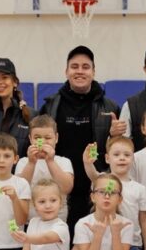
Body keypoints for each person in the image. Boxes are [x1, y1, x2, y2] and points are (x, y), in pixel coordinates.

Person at [39, 46, 119, 238]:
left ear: (93, 72)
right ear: (66, 71)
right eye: (74, 67)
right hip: (60, 190)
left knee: (95, 245)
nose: (80, 71)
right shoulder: (50, 106)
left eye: (85, 67)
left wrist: (116, 136)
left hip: (95, 189)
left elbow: (119, 150)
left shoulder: (110, 107)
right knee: (60, 245)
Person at [15, 114, 74, 220]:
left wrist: (50, 161)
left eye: (48, 138)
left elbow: (66, 188)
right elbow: (19, 189)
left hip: (58, 221)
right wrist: (31, 163)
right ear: (30, 139)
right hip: (30, 221)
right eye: (37, 138)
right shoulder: (23, 162)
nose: (42, 142)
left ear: (56, 138)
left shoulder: (64, 162)